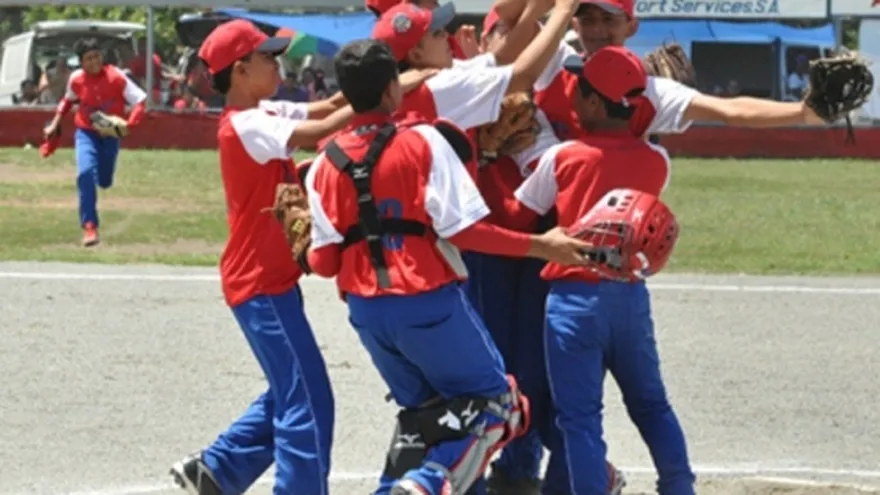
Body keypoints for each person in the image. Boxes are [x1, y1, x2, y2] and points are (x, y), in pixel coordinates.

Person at [303, 38, 591, 495]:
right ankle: (425, 482)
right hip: (426, 300)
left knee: (429, 421)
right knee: (499, 408)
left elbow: (322, 262)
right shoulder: (422, 140)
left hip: (366, 311)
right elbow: (465, 233)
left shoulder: (323, 162)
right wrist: (542, 244)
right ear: (392, 91)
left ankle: (400, 487)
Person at [167, 19, 356, 495]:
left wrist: (394, 70)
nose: (278, 63)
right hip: (260, 284)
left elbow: (332, 104)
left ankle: (217, 470)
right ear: (241, 69)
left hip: (266, 282)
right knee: (308, 400)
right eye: (268, 57)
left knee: (294, 389)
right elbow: (324, 128)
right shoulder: (248, 122)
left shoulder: (263, 109)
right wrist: (379, 88)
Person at [513, 46, 695, 495]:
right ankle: (679, 486)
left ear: (594, 103)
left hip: (572, 302)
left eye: (580, 88)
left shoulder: (565, 156)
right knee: (652, 404)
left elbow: (520, 214)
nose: (572, 93)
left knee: (578, 419)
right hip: (629, 297)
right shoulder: (657, 161)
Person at [534, 0, 827, 144]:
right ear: (574, 26)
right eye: (587, 20)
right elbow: (510, 19)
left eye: (609, 20)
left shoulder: (652, 91)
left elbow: (729, 110)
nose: (597, 30)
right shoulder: (555, 63)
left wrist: (803, 112)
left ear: (631, 27)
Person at [42, 38, 147, 247]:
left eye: (97, 56)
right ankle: (90, 226)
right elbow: (68, 100)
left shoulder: (116, 76)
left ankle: (102, 176)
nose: (94, 62)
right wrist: (55, 123)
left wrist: (128, 125)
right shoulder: (76, 79)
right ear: (81, 62)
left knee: (105, 181)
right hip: (86, 132)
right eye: (88, 58)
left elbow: (140, 101)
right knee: (85, 174)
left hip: (109, 135)